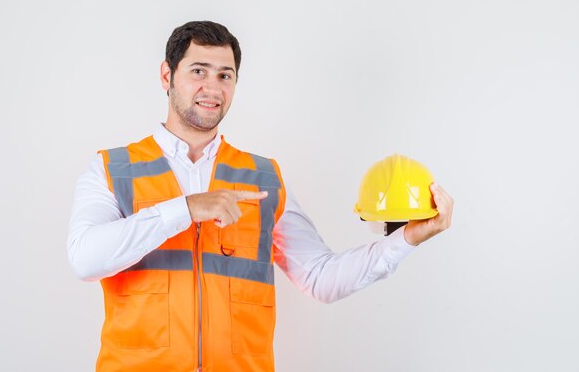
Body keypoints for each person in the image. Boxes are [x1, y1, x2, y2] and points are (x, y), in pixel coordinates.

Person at [68, 20, 454, 372]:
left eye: (225, 75)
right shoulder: (111, 169)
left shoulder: (263, 178)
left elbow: (320, 278)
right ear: (167, 75)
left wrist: (406, 239)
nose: (212, 88)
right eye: (198, 71)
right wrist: (186, 209)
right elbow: (85, 259)